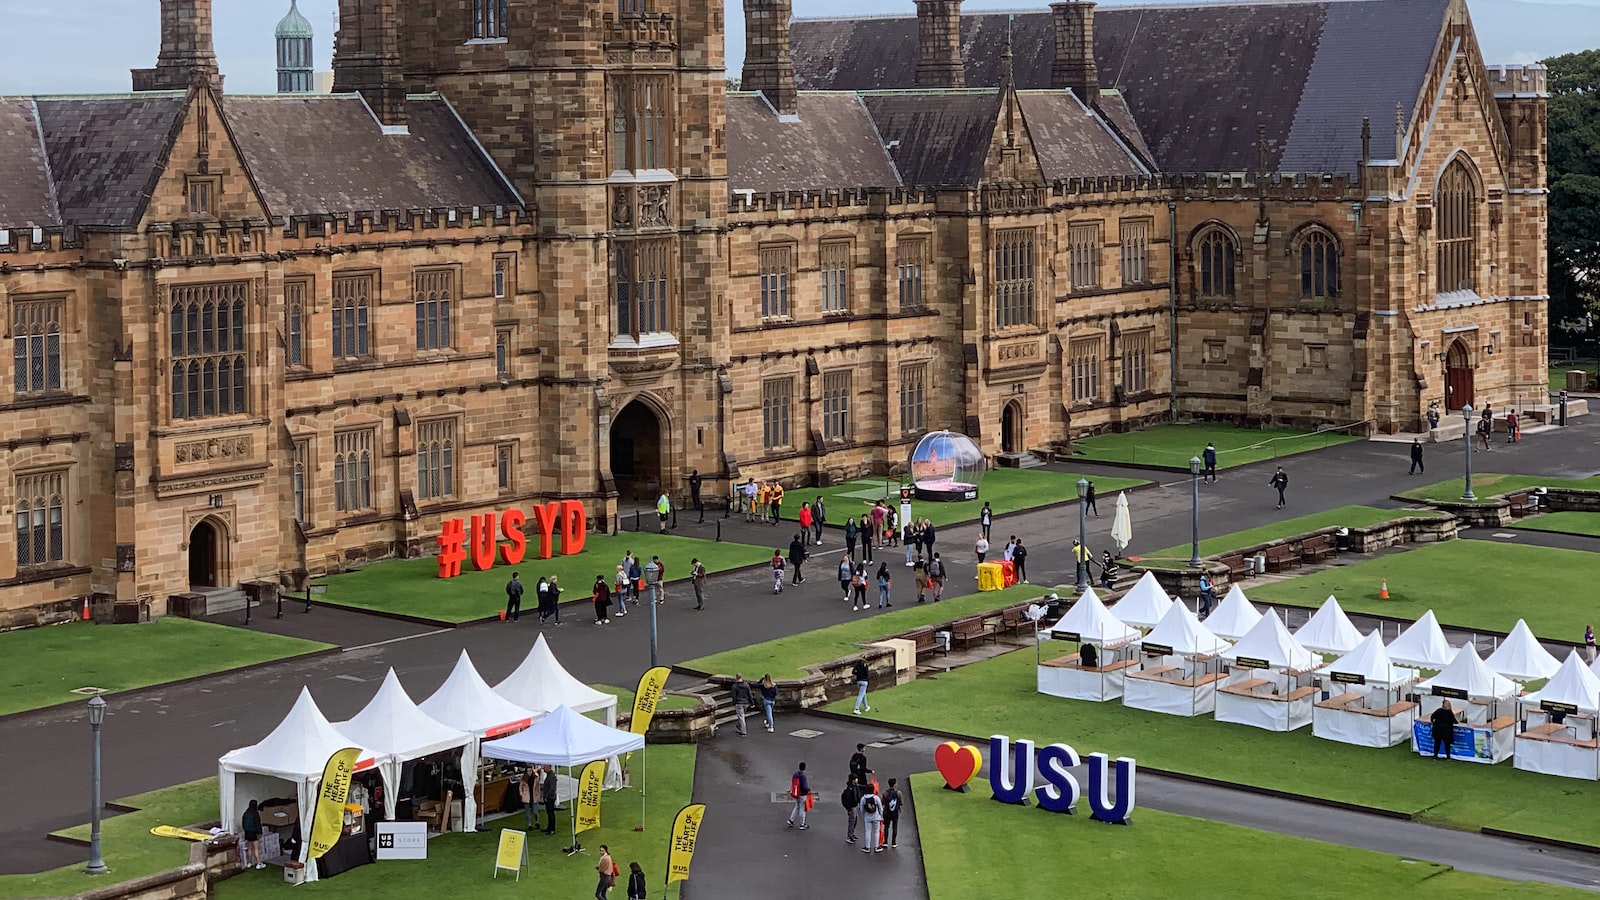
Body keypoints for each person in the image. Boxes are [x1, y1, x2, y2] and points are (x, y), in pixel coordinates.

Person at [858, 781, 885, 853]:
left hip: (867, 817)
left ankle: (867, 847)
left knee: (868, 832)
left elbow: (861, 809)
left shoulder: (863, 798)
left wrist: (864, 815)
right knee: (876, 832)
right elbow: (880, 808)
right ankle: (876, 847)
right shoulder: (876, 798)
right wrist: (881, 815)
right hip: (876, 817)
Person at [786, 761, 810, 829]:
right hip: (802, 794)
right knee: (802, 809)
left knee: (796, 806)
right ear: (804, 768)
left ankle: (791, 820)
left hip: (796, 793)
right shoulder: (803, 776)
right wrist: (808, 790)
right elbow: (805, 787)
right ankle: (802, 824)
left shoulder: (795, 774)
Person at [241, 799, 264, 869]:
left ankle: (249, 863)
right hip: (254, 833)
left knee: (249, 849)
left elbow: (243, 823)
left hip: (247, 833)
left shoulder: (246, 813)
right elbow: (258, 824)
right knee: (256, 849)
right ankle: (259, 863)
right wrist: (260, 832)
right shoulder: (255, 814)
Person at [841, 775, 864, 844]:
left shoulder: (855, 786)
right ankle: (849, 836)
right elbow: (848, 800)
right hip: (852, 807)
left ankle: (852, 834)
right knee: (851, 821)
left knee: (855, 820)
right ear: (853, 780)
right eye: (856, 779)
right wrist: (849, 809)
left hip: (855, 805)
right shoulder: (850, 789)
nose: (857, 780)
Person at [883, 778, 903, 848]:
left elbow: (883, 802)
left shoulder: (885, 793)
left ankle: (885, 842)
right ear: (894, 784)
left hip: (887, 812)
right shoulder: (898, 793)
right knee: (895, 827)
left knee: (886, 827)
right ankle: (893, 842)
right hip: (895, 812)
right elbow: (901, 803)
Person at [541, 764, 559, 834]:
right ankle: (549, 827)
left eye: (544, 767)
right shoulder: (549, 775)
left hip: (550, 798)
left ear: (548, 768)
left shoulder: (551, 776)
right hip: (549, 797)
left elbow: (552, 789)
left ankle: (552, 829)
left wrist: (546, 796)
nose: (543, 768)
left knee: (551, 813)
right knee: (549, 813)